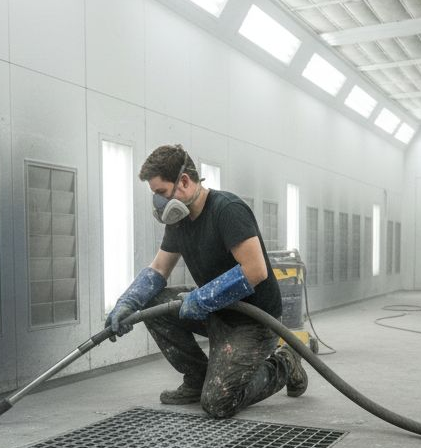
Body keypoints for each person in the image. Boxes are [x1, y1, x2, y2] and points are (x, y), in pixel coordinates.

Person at [104, 144, 308, 419]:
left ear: (184, 182)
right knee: (152, 305)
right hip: (214, 310)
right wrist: (128, 302)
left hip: (252, 321)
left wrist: (202, 298)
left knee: (218, 403)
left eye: (161, 193)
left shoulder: (228, 210)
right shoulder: (179, 221)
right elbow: (158, 269)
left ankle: (285, 362)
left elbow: (255, 270)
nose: (158, 202)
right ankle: (197, 377)